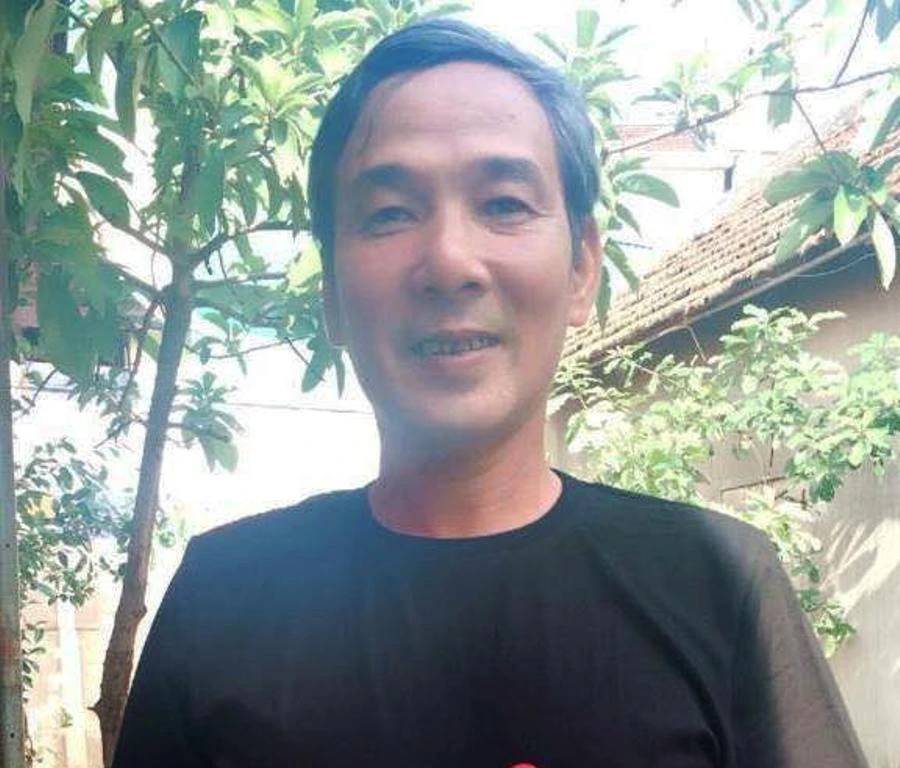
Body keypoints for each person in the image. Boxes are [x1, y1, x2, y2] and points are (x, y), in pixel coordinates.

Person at [112, 18, 868, 768]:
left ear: (582, 267)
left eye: (504, 204)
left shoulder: (718, 582)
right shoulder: (222, 596)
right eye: (390, 213)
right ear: (332, 295)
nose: (449, 261)